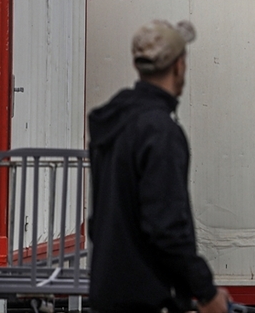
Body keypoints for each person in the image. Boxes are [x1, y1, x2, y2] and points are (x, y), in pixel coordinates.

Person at [88, 20, 229, 313]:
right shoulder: (160, 131)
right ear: (179, 66)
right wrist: (205, 292)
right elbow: (166, 228)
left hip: (108, 293)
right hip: (149, 297)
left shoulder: (113, 121)